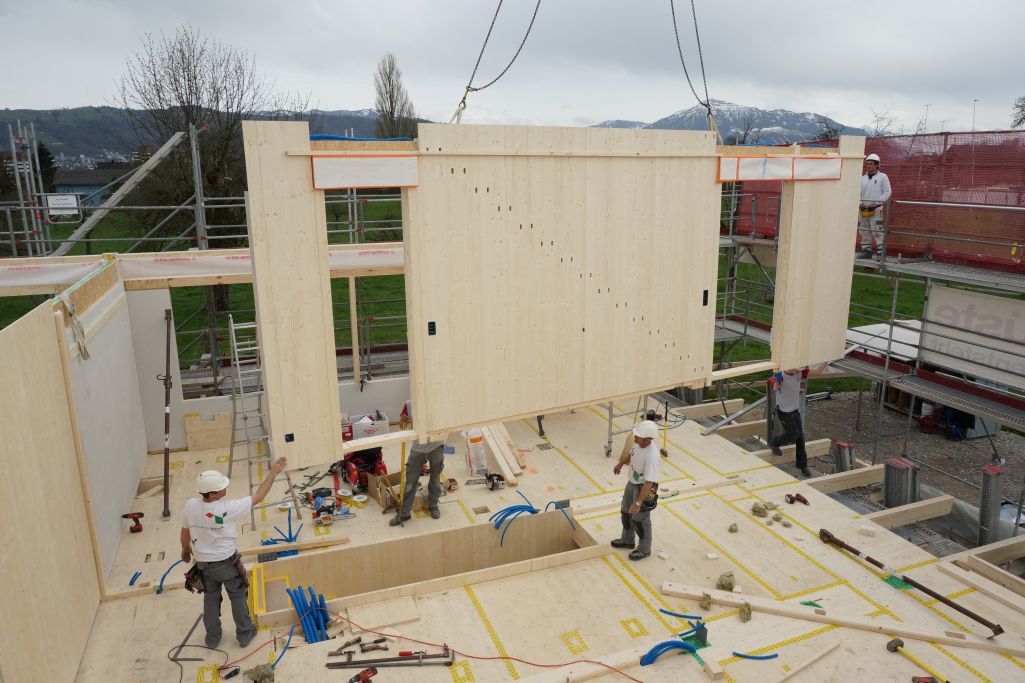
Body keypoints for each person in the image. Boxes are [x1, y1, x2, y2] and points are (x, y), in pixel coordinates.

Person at [180, 456, 287, 648]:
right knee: (238, 597)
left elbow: (185, 531)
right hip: (226, 563)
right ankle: (245, 633)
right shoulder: (226, 509)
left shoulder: (191, 506)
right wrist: (272, 473)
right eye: (221, 487)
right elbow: (258, 497)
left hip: (204, 565)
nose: (225, 488)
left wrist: (185, 550)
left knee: (211, 598)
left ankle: (212, 638)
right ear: (212, 494)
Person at [611, 420, 661, 561]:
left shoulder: (652, 455)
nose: (634, 438)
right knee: (626, 511)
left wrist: (639, 501)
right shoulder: (638, 444)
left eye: (637, 436)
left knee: (640, 519)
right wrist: (621, 463)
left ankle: (644, 549)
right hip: (632, 483)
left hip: (644, 488)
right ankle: (627, 541)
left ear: (647, 440)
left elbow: (649, 481)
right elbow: (632, 454)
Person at [389, 436, 447, 526]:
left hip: (436, 445)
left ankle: (433, 506)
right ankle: (405, 513)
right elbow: (402, 424)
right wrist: (405, 421)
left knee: (435, 479)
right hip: (418, 447)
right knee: (410, 483)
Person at [770, 369, 811, 477]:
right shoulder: (782, 375)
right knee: (794, 434)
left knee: (800, 437)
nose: (798, 369)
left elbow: (817, 371)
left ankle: (803, 465)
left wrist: (825, 362)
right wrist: (778, 382)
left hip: (794, 410)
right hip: (784, 411)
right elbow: (775, 388)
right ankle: (775, 442)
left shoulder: (799, 373)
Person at [858, 153, 892, 259]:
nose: (868, 166)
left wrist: (876, 203)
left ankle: (881, 252)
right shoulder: (862, 178)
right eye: (867, 164)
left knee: (877, 230)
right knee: (864, 230)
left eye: (871, 164)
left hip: (876, 210)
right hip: (863, 209)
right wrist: (860, 203)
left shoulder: (883, 177)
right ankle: (866, 251)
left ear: (877, 165)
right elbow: (856, 192)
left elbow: (887, 192)